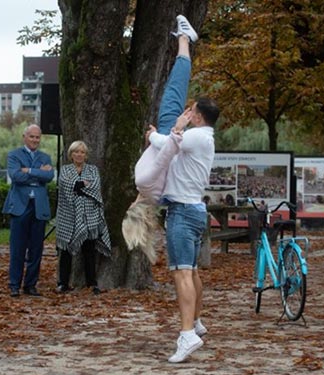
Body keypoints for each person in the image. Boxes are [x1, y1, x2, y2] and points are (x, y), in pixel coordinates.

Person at [123, 15, 219, 363]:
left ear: (196, 117)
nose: (187, 110)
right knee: (190, 271)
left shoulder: (193, 135)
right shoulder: (205, 139)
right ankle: (195, 322)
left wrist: (153, 135)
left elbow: (167, 141)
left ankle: (187, 334)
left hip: (182, 211)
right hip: (192, 210)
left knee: (181, 273)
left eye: (191, 110)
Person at [3, 124, 54, 297]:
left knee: (36, 249)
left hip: (39, 207)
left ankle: (31, 285)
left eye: (37, 137)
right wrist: (39, 173)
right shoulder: (14, 155)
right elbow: (16, 176)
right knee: (17, 248)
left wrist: (30, 171)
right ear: (24, 137)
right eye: (32, 137)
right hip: (20, 207)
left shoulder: (45, 156)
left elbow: (49, 176)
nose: (35, 140)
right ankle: (14, 284)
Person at [55, 141, 111, 295]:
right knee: (65, 251)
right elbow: (66, 186)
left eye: (82, 152)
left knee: (89, 251)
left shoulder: (92, 170)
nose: (79, 155)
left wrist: (78, 186)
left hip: (90, 216)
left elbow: (95, 187)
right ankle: (63, 283)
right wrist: (80, 184)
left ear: (86, 155)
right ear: (71, 154)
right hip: (69, 217)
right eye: (76, 152)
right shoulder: (65, 170)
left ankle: (91, 283)